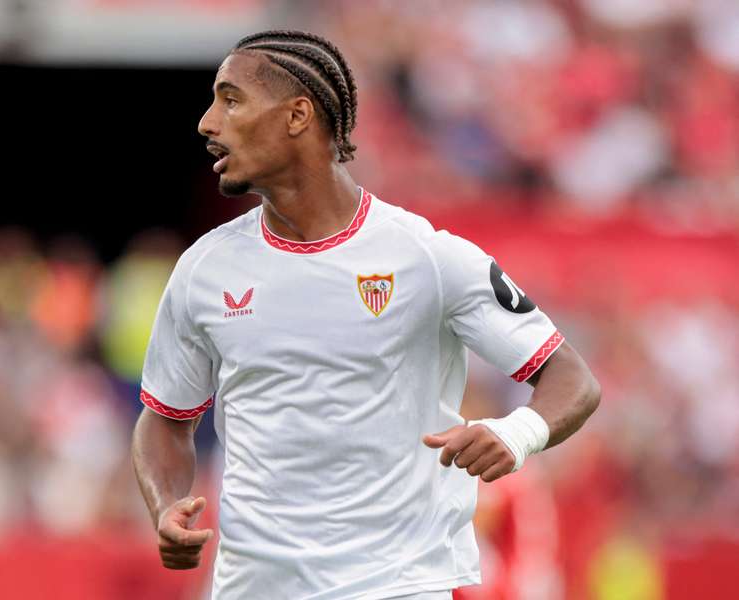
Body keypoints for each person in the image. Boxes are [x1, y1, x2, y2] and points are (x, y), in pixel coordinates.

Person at [132, 30, 601, 600]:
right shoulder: (203, 269)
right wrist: (166, 503)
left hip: (396, 586)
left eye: (230, 99)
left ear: (297, 115)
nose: (207, 122)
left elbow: (571, 378)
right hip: (252, 588)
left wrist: (516, 432)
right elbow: (165, 420)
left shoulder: (428, 257)